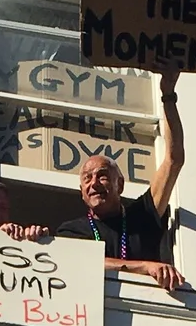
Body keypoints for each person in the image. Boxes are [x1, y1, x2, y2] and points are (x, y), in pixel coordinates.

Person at [56, 69, 184, 291]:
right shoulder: (71, 230)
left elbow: (174, 159)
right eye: (87, 178)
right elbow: (81, 261)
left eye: (102, 176)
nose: (94, 183)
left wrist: (168, 96)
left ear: (120, 185)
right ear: (81, 192)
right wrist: (146, 267)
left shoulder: (142, 216)